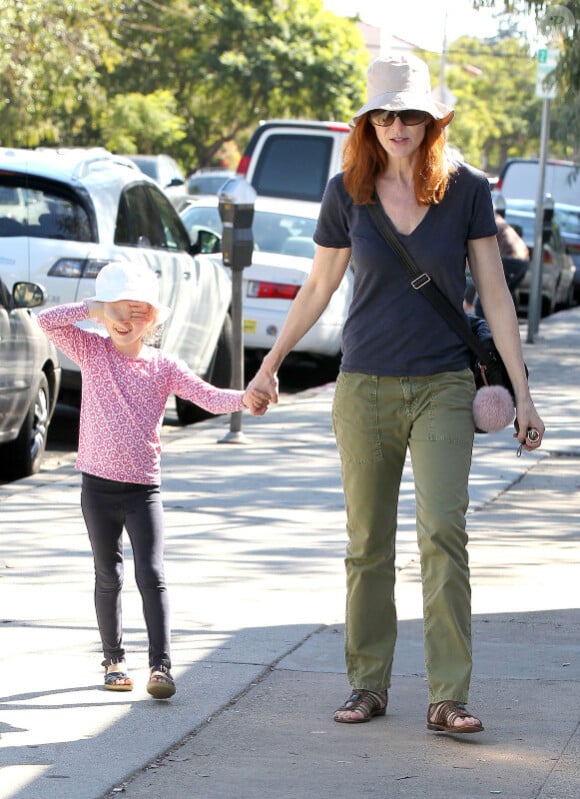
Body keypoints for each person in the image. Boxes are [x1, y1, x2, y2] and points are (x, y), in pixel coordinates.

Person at [247, 53, 545, 733]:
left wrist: (523, 394)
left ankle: (448, 695)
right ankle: (368, 684)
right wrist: (270, 365)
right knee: (368, 542)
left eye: (409, 113)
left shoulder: (466, 189)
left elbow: (494, 294)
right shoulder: (345, 190)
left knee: (444, 531)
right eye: (383, 114)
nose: (396, 125)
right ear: (367, 122)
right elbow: (318, 288)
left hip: (443, 384)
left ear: (430, 121)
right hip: (364, 387)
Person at [38, 261, 269, 699]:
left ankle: (160, 667)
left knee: (152, 572)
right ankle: (113, 661)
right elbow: (45, 319)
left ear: (153, 317)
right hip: (97, 486)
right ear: (104, 314)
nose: (126, 322)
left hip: (144, 490)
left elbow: (206, 395)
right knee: (108, 574)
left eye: (137, 313)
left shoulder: (163, 365)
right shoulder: (93, 350)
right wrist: (95, 306)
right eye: (117, 313)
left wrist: (244, 399)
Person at [473, 211, 530, 316]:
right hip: (524, 261)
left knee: (485, 295)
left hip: (511, 259)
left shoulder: (488, 221)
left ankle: (482, 326)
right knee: (505, 294)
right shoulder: (498, 220)